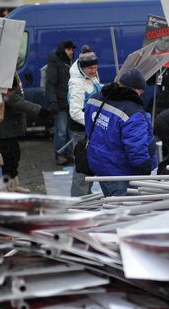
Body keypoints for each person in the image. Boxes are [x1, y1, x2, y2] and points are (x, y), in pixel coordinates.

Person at [85, 68, 158, 197]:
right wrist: (147, 171)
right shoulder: (133, 113)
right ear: (137, 89)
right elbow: (137, 150)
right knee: (124, 212)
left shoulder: (95, 99)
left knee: (110, 204)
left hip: (100, 165)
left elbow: (90, 128)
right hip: (121, 173)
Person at [0, 73, 52, 193]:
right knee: (9, 159)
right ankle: (6, 189)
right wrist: (40, 111)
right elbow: (15, 100)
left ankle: (13, 186)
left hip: (11, 128)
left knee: (14, 157)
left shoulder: (11, 70)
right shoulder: (2, 72)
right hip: (5, 129)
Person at [68, 45, 101, 196]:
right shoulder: (76, 83)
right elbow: (75, 112)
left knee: (90, 165)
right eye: (91, 69)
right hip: (81, 131)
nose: (94, 71)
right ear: (82, 68)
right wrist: (95, 123)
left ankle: (86, 197)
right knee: (81, 168)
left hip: (90, 130)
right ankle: (78, 202)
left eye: (96, 67)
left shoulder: (91, 76)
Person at [45, 40, 75, 166]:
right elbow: (50, 84)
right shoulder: (55, 63)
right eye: (69, 49)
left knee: (69, 131)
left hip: (70, 102)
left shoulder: (70, 62)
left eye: (72, 49)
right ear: (63, 50)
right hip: (60, 103)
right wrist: (53, 102)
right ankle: (60, 154)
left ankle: (68, 153)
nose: (71, 52)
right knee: (61, 131)